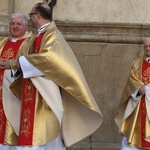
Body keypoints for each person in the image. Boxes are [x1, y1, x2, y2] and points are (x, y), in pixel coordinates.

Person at [9, 1, 103, 150]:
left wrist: (18, 62)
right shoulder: (36, 36)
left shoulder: (53, 35)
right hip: (32, 90)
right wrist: (16, 64)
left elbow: (49, 59)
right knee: (30, 130)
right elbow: (23, 55)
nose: (30, 18)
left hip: (46, 92)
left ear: (38, 16)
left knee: (47, 133)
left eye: (31, 15)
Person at [0, 13, 32, 150]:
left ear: (26, 26)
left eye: (18, 24)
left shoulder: (29, 43)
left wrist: (12, 64)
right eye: (12, 24)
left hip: (15, 91)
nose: (14, 27)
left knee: (13, 122)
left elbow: (32, 63)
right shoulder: (3, 42)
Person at [115, 38, 150, 149]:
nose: (147, 49)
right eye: (145, 46)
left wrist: (147, 90)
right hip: (138, 106)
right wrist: (139, 89)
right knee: (133, 136)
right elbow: (131, 80)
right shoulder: (137, 63)